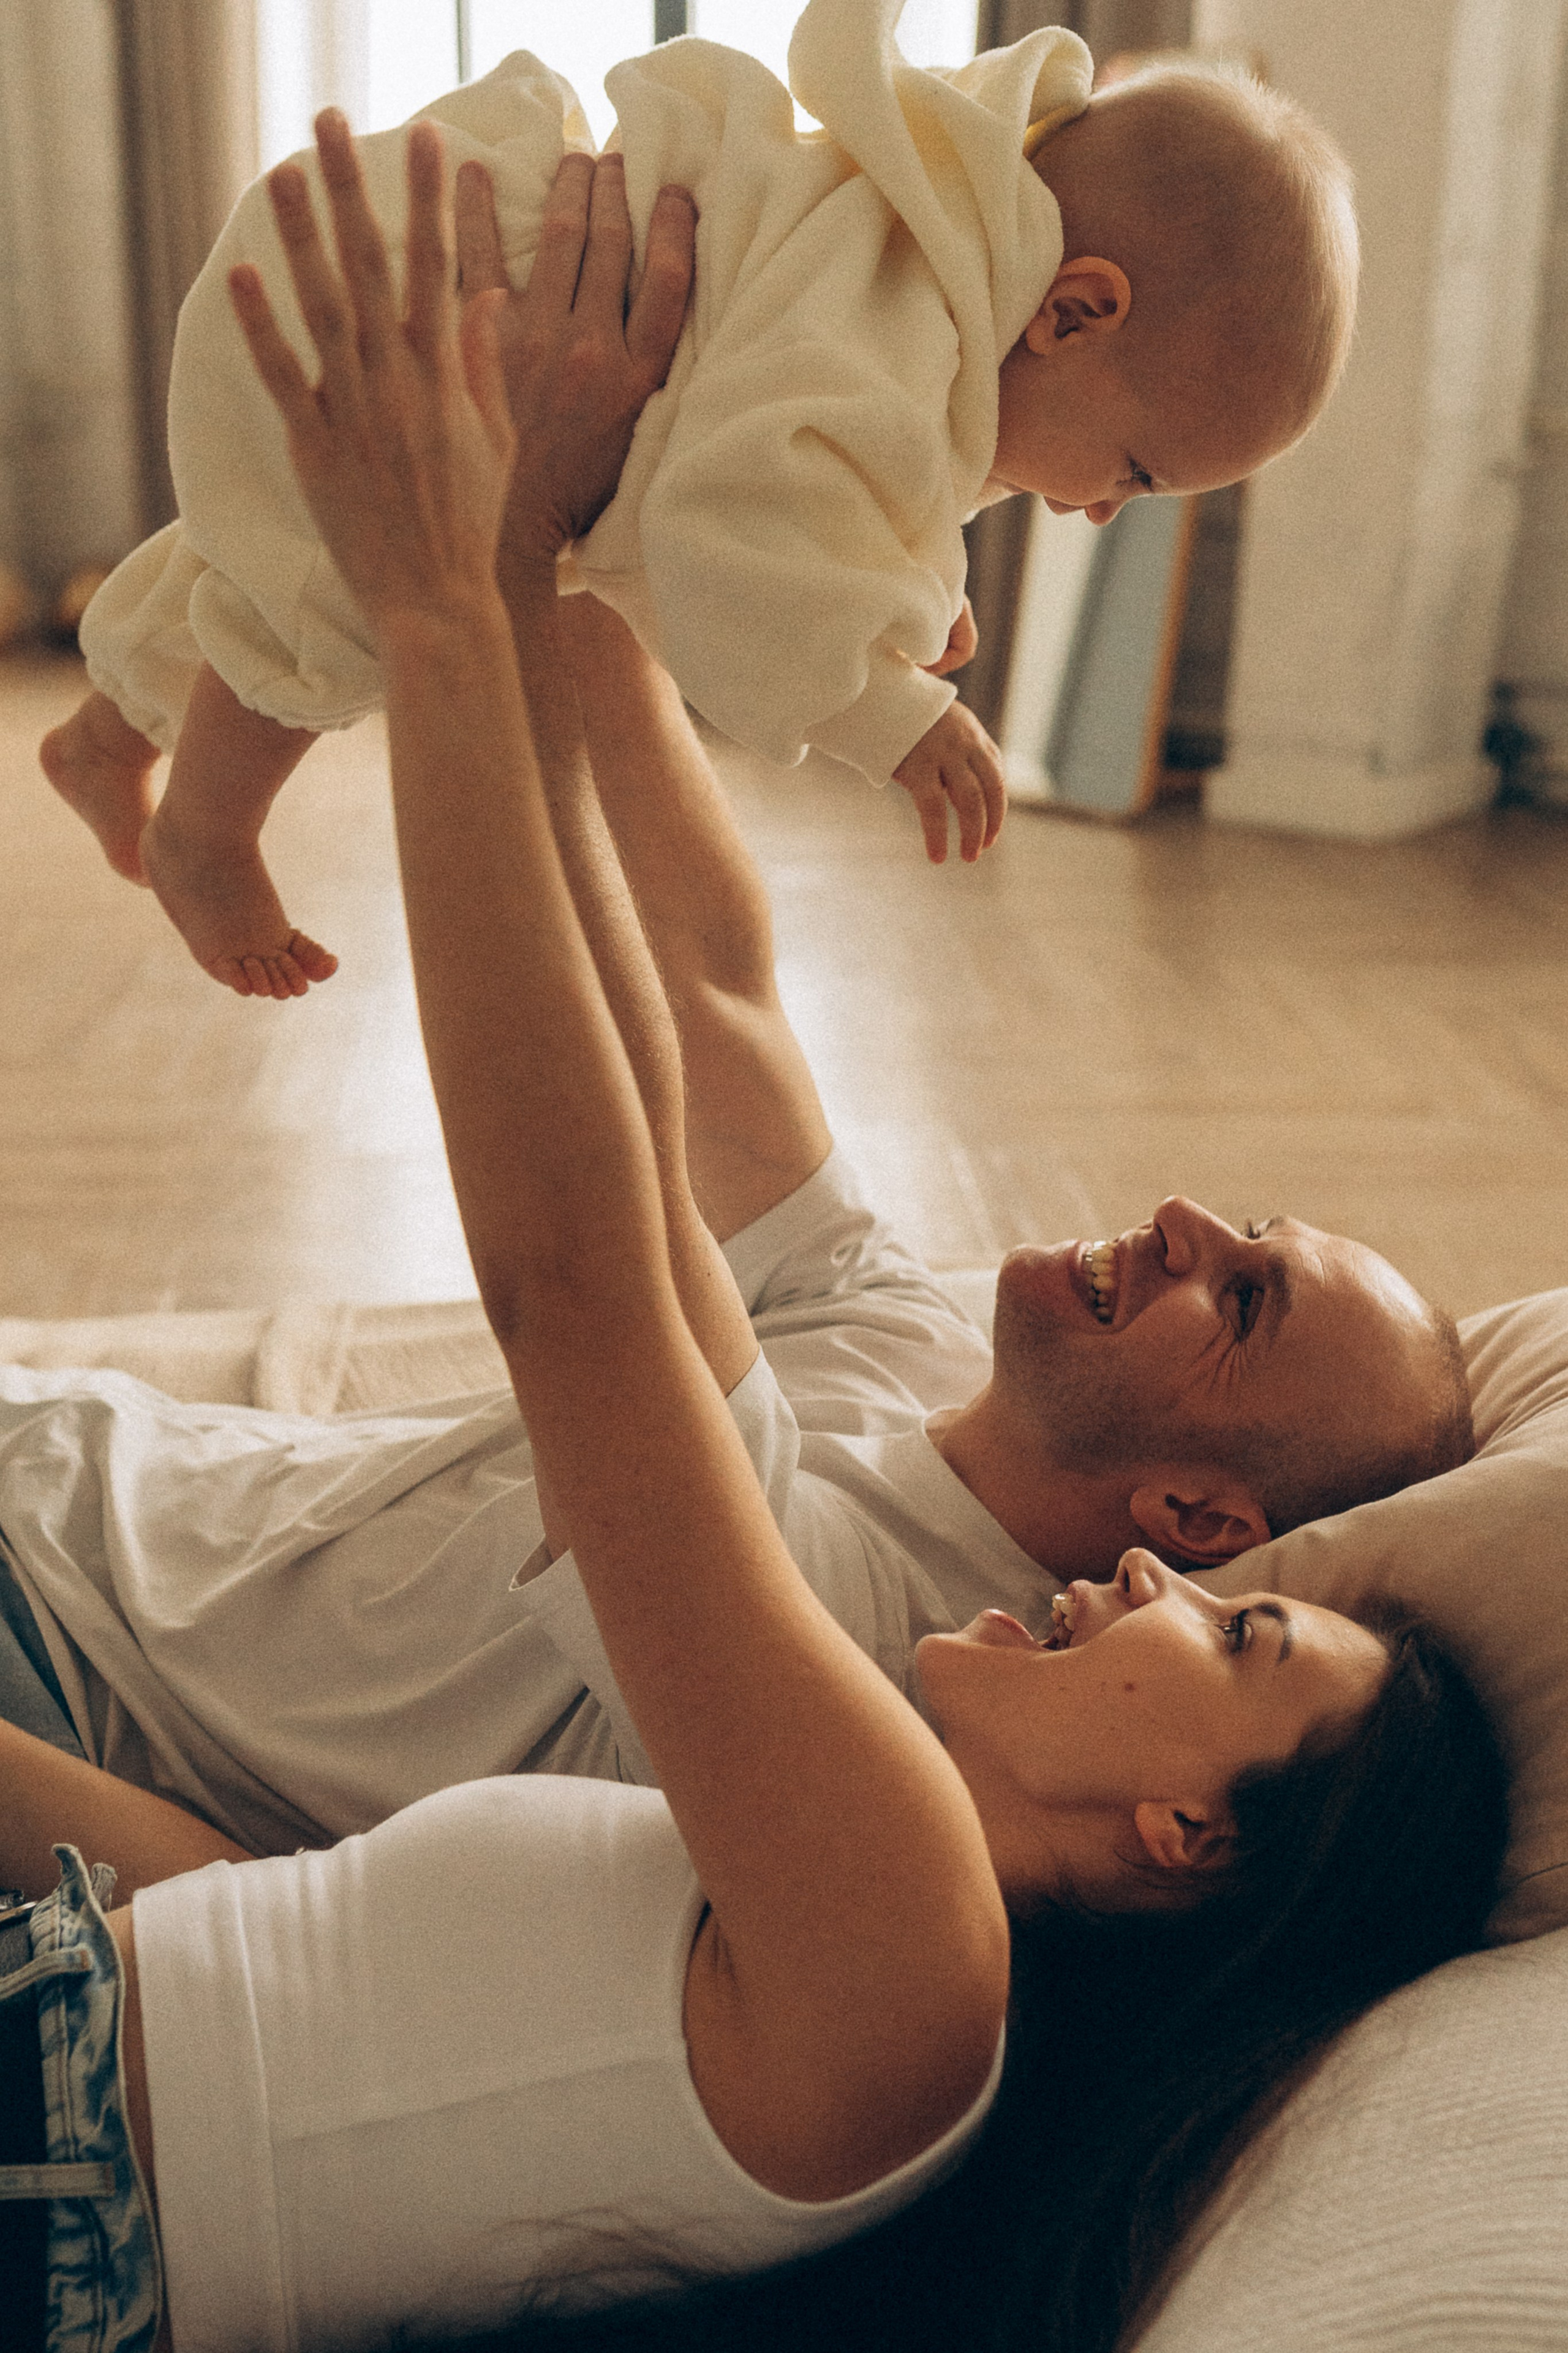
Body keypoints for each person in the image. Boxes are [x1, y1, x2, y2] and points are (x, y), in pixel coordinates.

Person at [0, 121, 1507, 2353]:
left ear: (1206, 1530)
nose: (1183, 1217)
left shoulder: (864, 1792)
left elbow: (585, 1274)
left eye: (1245, 1300)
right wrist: (590, 517)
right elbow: (693, 1001)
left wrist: (460, 587)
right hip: (76, 1550)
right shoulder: (902, 1469)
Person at [38, 0, 1358, 996]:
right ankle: (207, 834)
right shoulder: (902, 336)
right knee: (343, 600)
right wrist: (882, 705)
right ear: (1074, 313)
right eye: (1135, 473)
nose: (1097, 514)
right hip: (424, 296)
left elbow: (826, 479)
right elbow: (730, 540)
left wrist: (900, 595)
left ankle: (111, 733)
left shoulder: (930, 257)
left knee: (268, 553)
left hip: (423, 235)